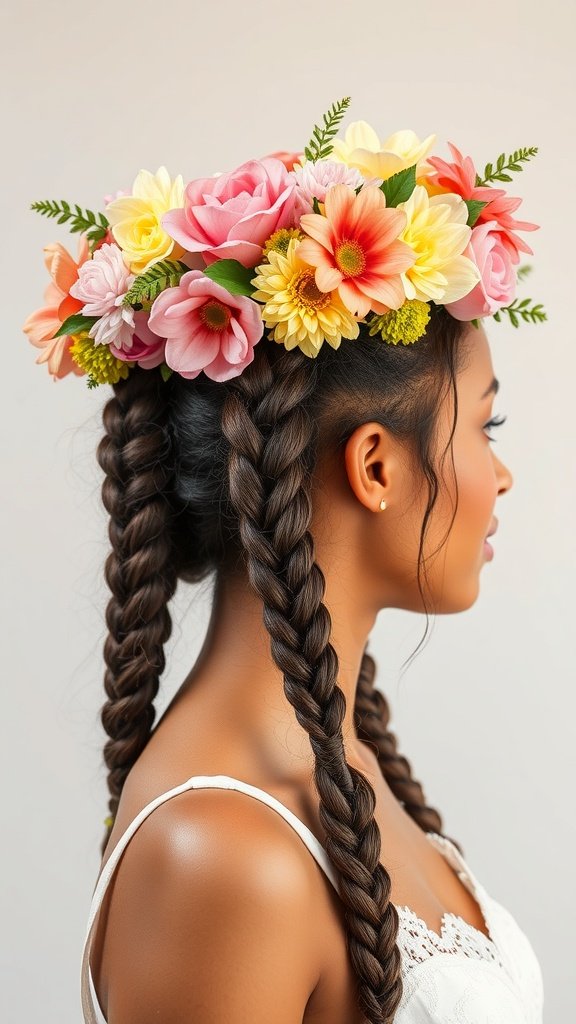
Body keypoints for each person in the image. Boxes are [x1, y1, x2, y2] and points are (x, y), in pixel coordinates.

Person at [23, 100, 546, 1022]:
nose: (501, 475)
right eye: (484, 425)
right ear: (376, 466)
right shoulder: (224, 854)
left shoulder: (338, 759)